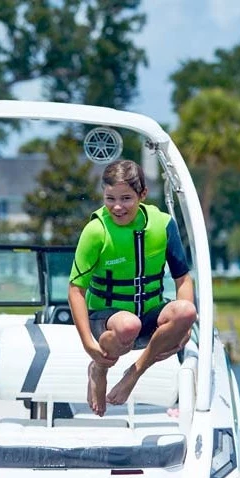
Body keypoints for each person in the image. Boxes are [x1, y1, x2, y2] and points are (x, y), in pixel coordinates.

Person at [68, 159, 197, 417]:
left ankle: (134, 373)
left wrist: (184, 330)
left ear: (143, 194)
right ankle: (99, 370)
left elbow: (183, 279)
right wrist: (87, 345)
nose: (117, 206)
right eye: (110, 198)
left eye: (126, 198)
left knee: (186, 311)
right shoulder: (96, 231)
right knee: (128, 324)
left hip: (149, 318)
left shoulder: (162, 225)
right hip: (107, 320)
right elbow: (76, 291)